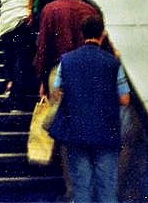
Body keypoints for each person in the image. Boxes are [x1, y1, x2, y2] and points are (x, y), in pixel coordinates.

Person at [48, 15, 130, 203]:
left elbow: (56, 93)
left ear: (82, 34)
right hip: (106, 133)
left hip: (76, 132)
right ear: (102, 34)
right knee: (107, 187)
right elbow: (125, 99)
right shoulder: (113, 63)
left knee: (81, 186)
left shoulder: (66, 61)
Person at [33, 0, 98, 98]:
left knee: (59, 114)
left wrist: (43, 80)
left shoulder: (50, 10)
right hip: (86, 71)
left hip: (59, 71)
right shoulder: (90, 10)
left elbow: (43, 46)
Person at [0, 0, 41, 112]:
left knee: (10, 58)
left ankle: (8, 89)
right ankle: (18, 101)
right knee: (22, 59)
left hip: (5, 22)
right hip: (20, 19)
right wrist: (29, 7)